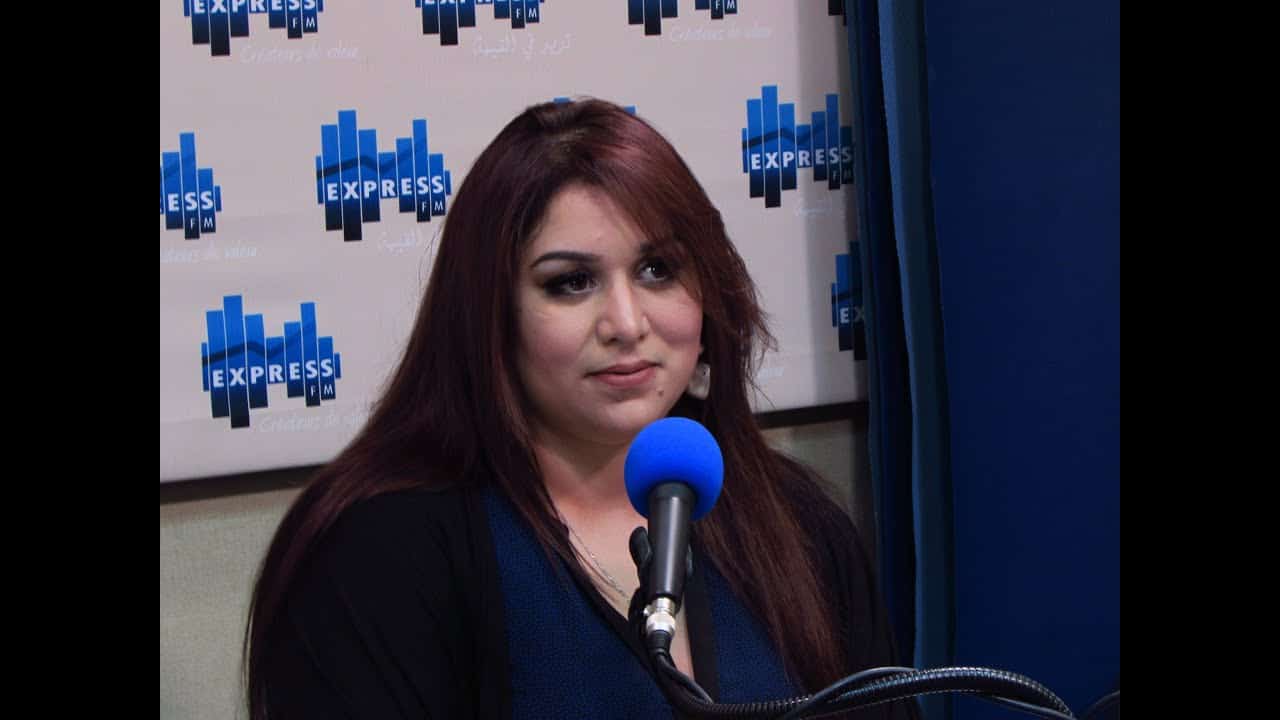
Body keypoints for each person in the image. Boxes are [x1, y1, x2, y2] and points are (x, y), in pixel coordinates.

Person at [244, 98, 916, 719]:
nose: (626, 323)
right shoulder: (378, 549)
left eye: (658, 270)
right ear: (491, 318)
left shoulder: (798, 524)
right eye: (571, 282)